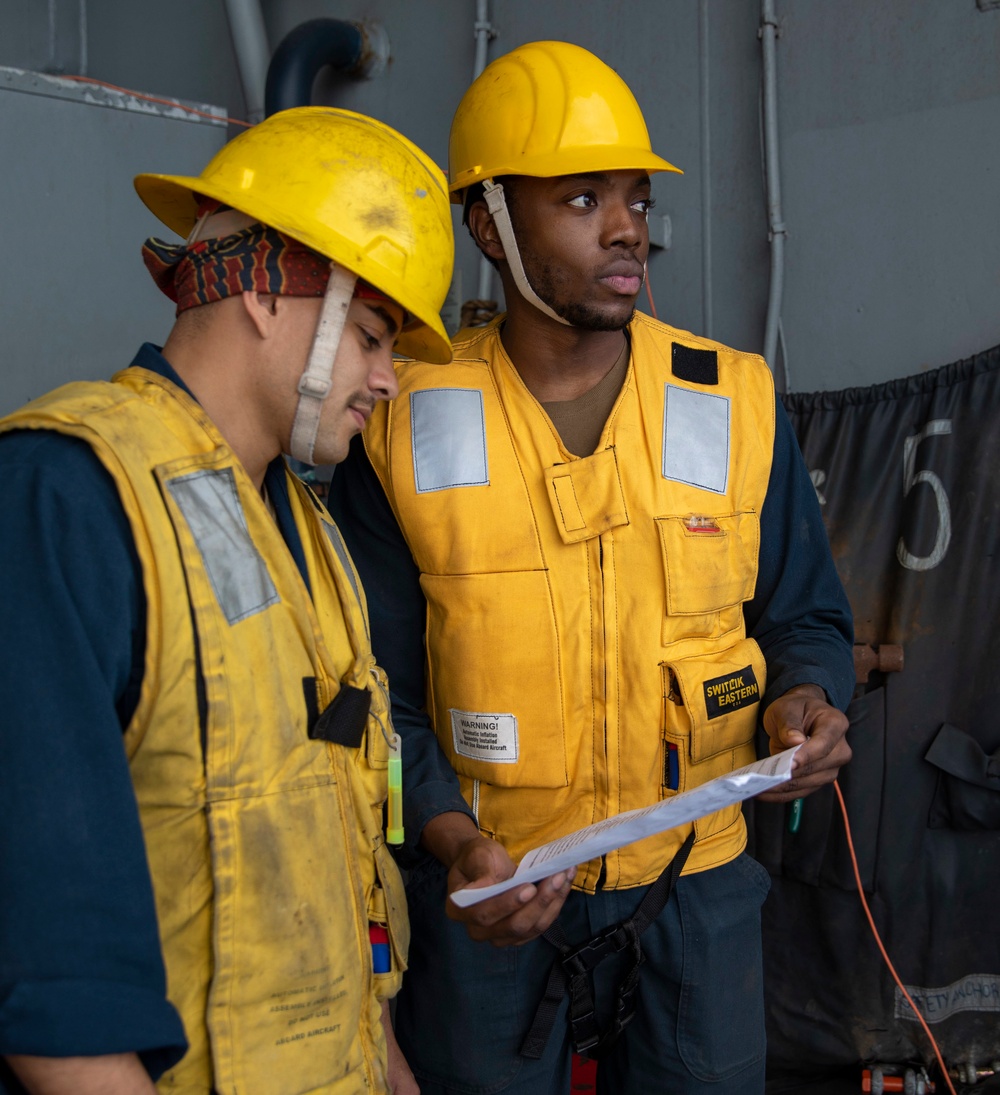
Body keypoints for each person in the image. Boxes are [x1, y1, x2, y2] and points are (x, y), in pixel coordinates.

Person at [328, 40, 855, 1095]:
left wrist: (810, 699)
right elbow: (374, 690)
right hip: (491, 893)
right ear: (488, 227)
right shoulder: (399, 412)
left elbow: (805, 618)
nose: (627, 229)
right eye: (580, 199)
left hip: (695, 890)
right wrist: (451, 843)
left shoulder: (733, 400)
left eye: (631, 198)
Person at [0, 107, 453, 1094]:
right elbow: (50, 975)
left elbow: (340, 869)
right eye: (374, 335)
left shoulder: (309, 539)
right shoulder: (65, 496)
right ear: (261, 290)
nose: (387, 379)